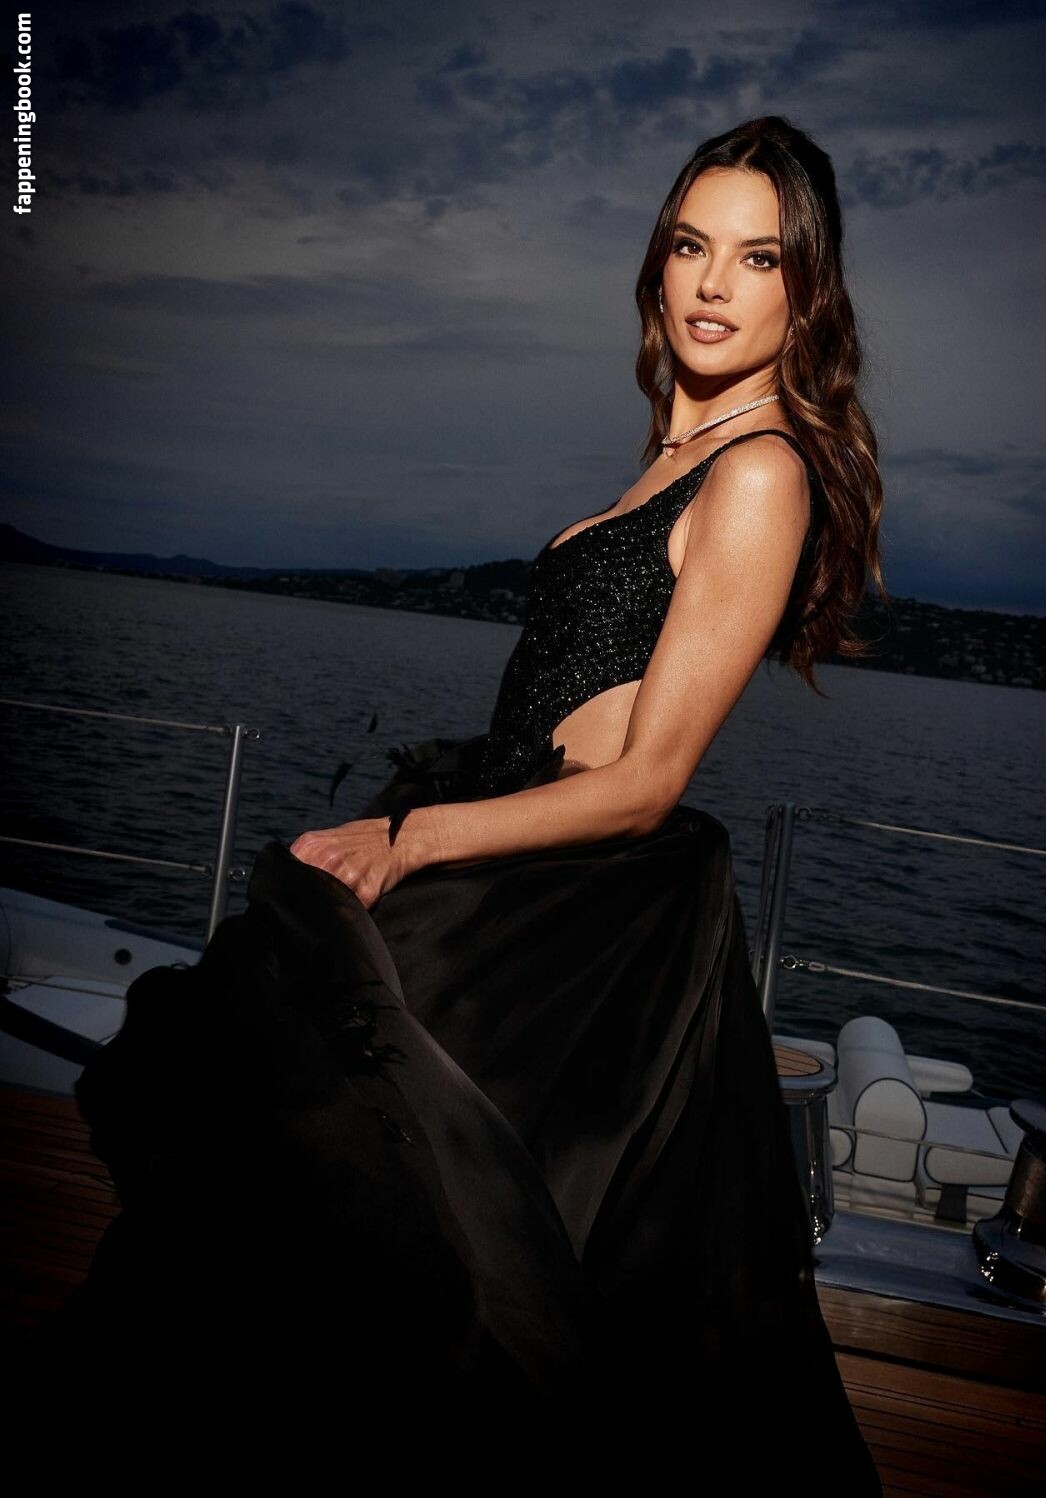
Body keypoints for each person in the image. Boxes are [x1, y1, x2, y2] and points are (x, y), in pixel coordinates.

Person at [28, 116, 885, 1482]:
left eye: (759, 257)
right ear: (658, 265)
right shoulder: (681, 454)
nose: (716, 283)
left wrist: (412, 836)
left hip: (577, 907)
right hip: (521, 860)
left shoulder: (763, 470)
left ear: (809, 289)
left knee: (405, 1249)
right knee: (354, 1237)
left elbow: (648, 780)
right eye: (691, 246)